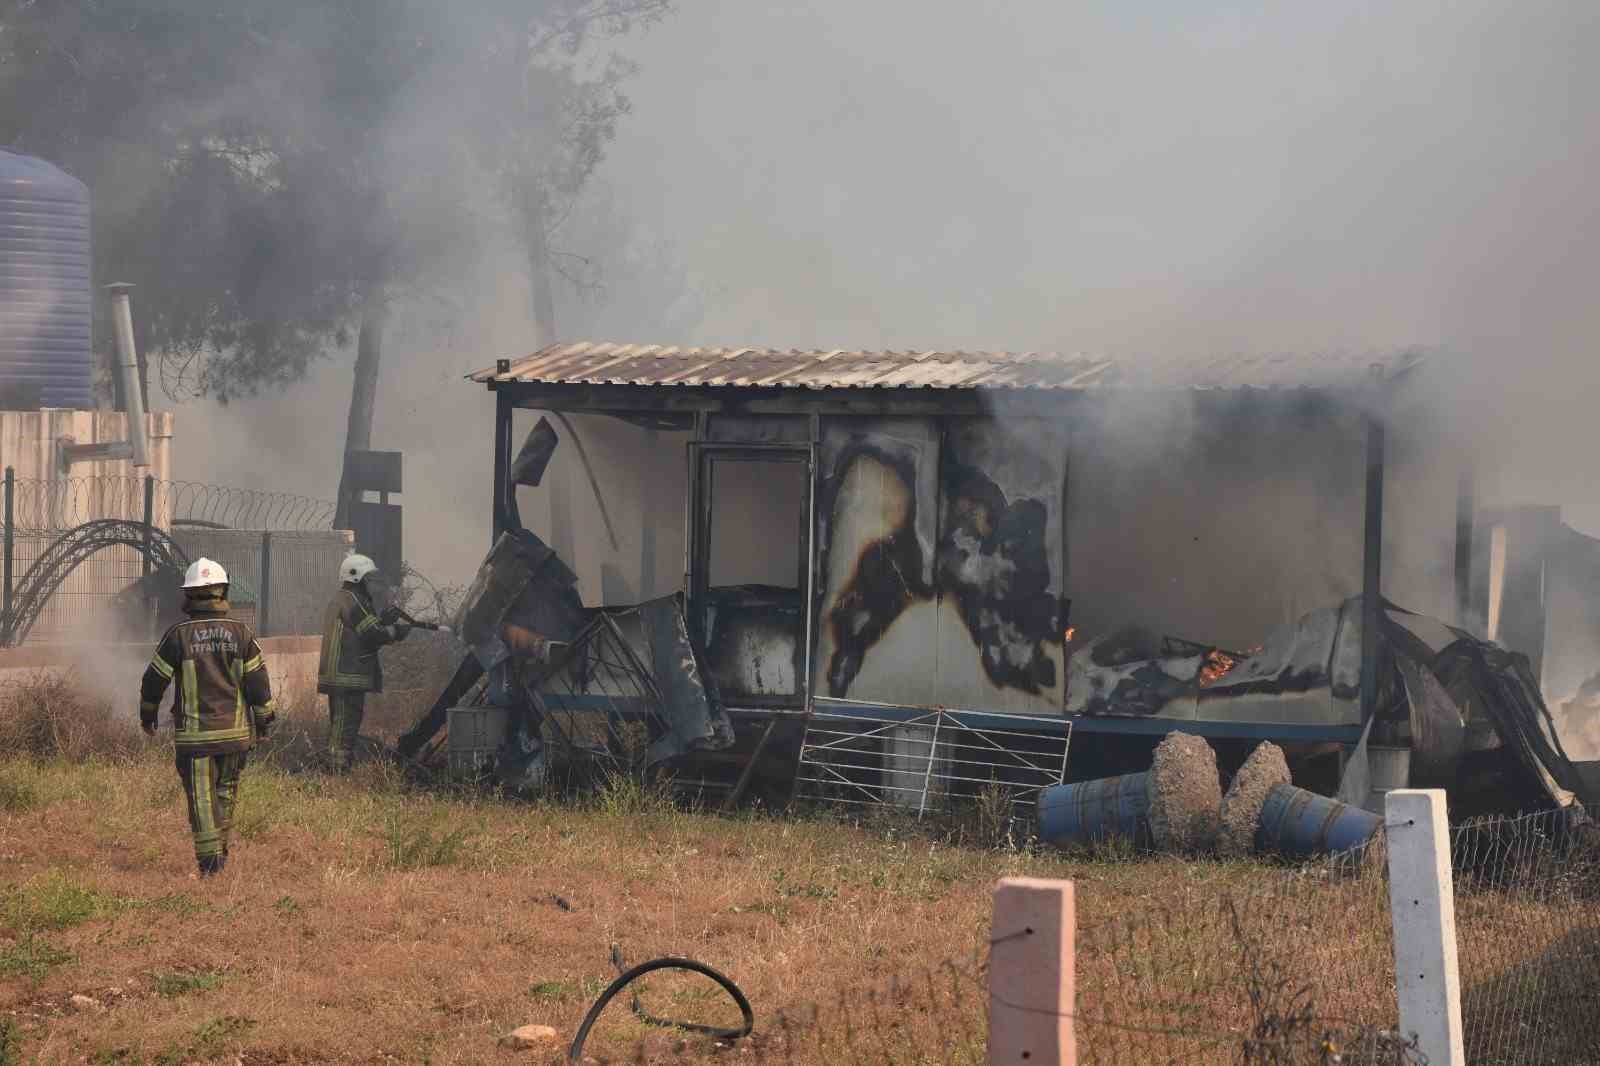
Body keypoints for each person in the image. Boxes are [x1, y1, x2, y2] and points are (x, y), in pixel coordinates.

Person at [139, 557, 276, 879]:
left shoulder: (178, 636)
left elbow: (153, 680)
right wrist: (264, 722)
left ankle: (210, 864)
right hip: (235, 734)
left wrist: (148, 715)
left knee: (202, 798)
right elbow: (259, 683)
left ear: (189, 595)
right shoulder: (242, 634)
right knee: (225, 791)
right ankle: (219, 855)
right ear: (223, 591)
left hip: (195, 739)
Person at [317, 553, 411, 772]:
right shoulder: (353, 601)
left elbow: (360, 633)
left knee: (342, 724)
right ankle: (336, 773)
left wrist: (383, 622)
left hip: (342, 674)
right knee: (344, 726)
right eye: (368, 578)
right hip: (347, 675)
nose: (372, 584)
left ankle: (337, 769)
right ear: (357, 577)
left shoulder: (344, 598)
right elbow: (373, 634)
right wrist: (396, 631)